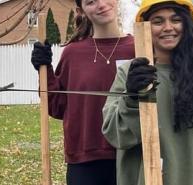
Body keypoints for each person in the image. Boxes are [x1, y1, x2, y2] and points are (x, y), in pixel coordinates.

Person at [102, 0, 193, 184]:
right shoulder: (129, 73)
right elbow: (115, 134)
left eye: (176, 20)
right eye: (158, 21)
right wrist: (131, 99)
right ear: (144, 27)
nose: (168, 27)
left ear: (187, 24)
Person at [30, 0, 134, 184]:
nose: (101, 5)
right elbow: (56, 106)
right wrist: (44, 69)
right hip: (84, 159)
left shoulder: (139, 48)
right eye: (91, 2)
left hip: (132, 155)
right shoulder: (73, 53)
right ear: (81, 10)